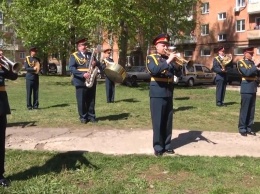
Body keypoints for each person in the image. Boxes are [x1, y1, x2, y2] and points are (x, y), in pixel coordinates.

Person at [146, 33, 182, 156]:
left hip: (168, 92)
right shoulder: (151, 58)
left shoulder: (170, 60)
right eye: (163, 45)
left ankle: (167, 145)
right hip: (157, 93)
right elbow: (155, 70)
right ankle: (158, 147)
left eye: (167, 44)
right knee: (158, 121)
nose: (166, 47)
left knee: (168, 121)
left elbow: (179, 74)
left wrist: (178, 64)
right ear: (157, 46)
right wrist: (169, 60)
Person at [69, 37, 100, 124]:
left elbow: (98, 64)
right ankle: (83, 117)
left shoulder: (91, 54)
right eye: (83, 45)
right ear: (78, 47)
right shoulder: (74, 56)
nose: (85, 46)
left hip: (91, 79)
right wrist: (83, 74)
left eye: (85, 45)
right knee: (81, 100)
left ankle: (91, 116)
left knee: (91, 99)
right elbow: (71, 68)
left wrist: (95, 63)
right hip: (80, 80)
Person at [0, 49, 18, 187]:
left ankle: (0, 175)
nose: (1, 54)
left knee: (0, 141)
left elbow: (13, 77)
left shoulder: (1, 66)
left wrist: (11, 67)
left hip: (1, 106)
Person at [237, 47, 260, 136]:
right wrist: (255, 66)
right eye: (250, 53)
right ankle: (242, 128)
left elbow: (256, 74)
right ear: (245, 53)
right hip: (246, 88)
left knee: (251, 110)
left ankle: (249, 128)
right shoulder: (241, 63)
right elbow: (246, 73)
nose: (252, 55)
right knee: (245, 109)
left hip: (253, 88)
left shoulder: (253, 63)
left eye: (252, 53)